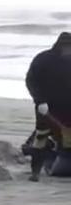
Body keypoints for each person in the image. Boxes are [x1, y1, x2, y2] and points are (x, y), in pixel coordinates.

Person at [24, 32, 71, 181]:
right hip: (46, 109)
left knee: (67, 140)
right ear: (60, 46)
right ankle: (35, 173)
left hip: (68, 109)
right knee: (41, 138)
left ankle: (61, 160)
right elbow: (31, 80)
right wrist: (39, 100)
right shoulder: (43, 59)